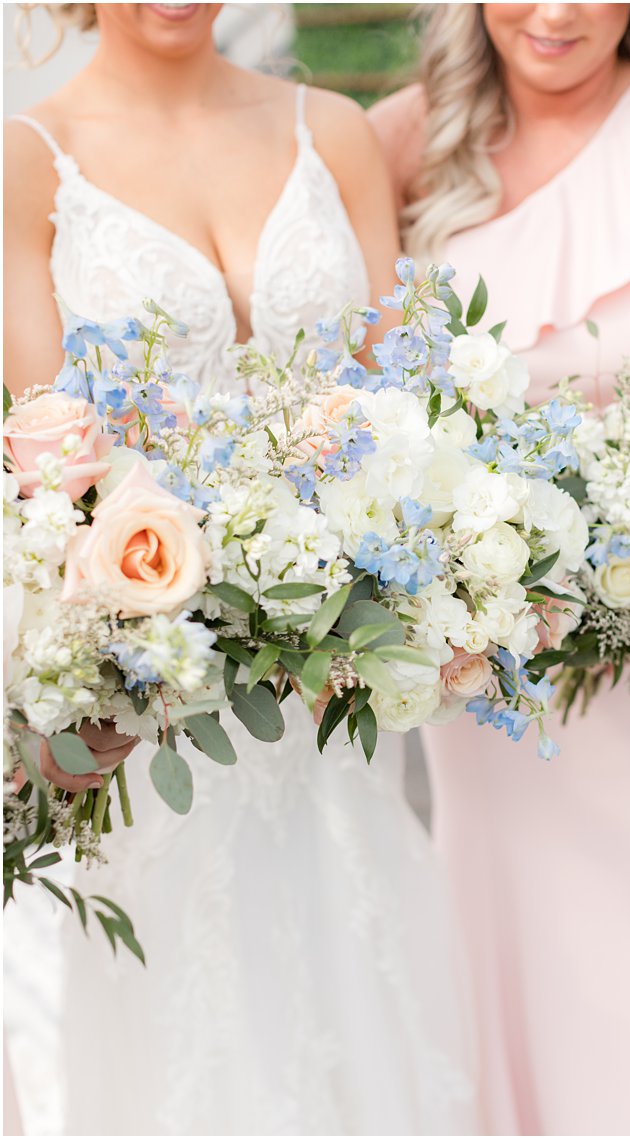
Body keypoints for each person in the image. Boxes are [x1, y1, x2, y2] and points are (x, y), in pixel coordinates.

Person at [4, 4, 477, 1131]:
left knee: (360, 1015)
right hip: (149, 711)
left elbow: (401, 413)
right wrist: (68, 696)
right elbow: (38, 460)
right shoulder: (24, 159)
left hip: (328, 702)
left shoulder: (338, 134)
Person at [368, 4, 630, 1131]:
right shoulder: (401, 143)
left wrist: (622, 554)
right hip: (482, 671)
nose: (556, 13)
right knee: (508, 937)